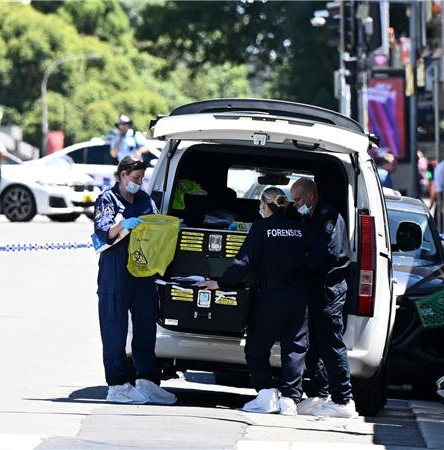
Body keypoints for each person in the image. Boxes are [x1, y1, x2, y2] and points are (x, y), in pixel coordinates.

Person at [196, 187, 312, 416]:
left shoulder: (262, 227)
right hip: (299, 296)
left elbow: (243, 262)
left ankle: (266, 395)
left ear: (265, 206)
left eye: (261, 206)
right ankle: (290, 400)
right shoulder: (300, 228)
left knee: (257, 348)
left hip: (271, 296)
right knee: (295, 348)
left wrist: (221, 283)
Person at [92, 156, 176, 405]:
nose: (138, 183)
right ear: (122, 175)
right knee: (115, 327)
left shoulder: (144, 200)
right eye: (135, 178)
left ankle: (147, 381)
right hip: (115, 269)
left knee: (146, 325)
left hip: (142, 268)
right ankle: (117, 384)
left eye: (141, 178)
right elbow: (104, 233)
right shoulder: (108, 199)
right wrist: (124, 224)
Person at [291, 178, 358, 419]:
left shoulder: (327, 218)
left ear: (310, 196)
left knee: (331, 344)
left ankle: (343, 400)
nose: (295, 205)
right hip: (315, 289)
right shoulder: (309, 217)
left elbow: (323, 255)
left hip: (328, 290)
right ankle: (321, 393)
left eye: (298, 200)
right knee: (315, 345)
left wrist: (296, 265)